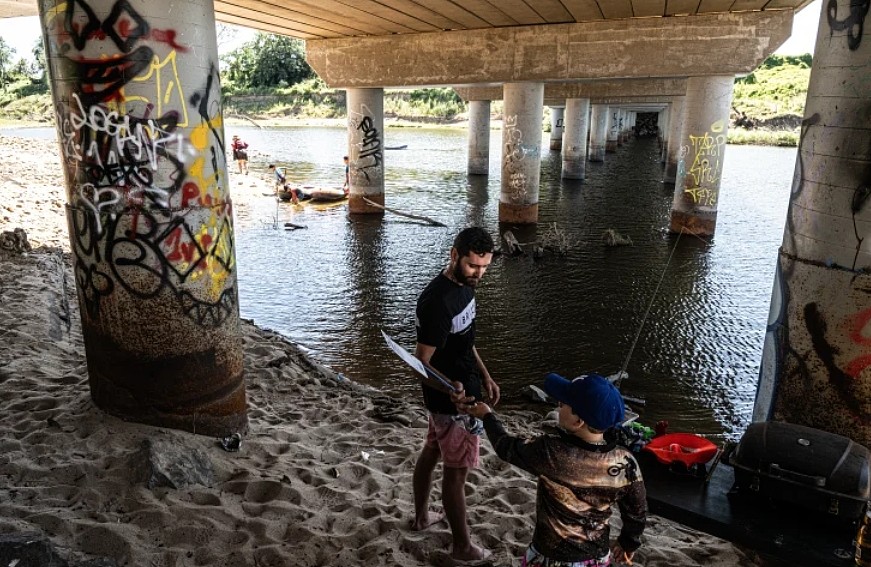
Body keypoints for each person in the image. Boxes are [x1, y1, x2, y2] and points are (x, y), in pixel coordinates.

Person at [454, 372, 647, 567]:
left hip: (549, 557)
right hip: (596, 558)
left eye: (563, 404)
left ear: (578, 421)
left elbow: (505, 447)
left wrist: (487, 416)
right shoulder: (626, 462)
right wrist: (628, 543)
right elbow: (636, 510)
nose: (558, 405)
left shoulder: (550, 451)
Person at [412, 226, 499, 564]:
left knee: (432, 450)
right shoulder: (437, 301)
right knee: (456, 472)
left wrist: (486, 374)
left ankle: (421, 517)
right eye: (473, 265)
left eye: (484, 267)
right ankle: (462, 547)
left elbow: (465, 339)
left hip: (460, 392)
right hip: (454, 402)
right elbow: (421, 363)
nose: (479, 273)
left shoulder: (465, 288)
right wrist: (452, 390)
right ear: (454, 255)